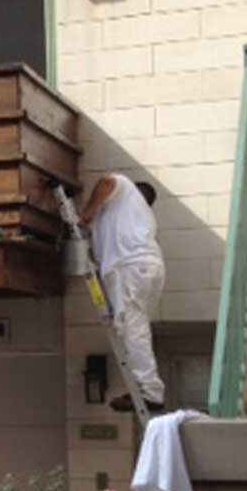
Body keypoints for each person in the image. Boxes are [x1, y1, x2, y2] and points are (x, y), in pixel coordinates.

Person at [79, 173, 166, 412]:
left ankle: (150, 392)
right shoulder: (130, 218)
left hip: (131, 268)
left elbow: (107, 182)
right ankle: (145, 388)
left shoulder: (124, 189)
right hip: (144, 269)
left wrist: (86, 213)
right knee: (130, 327)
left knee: (132, 327)